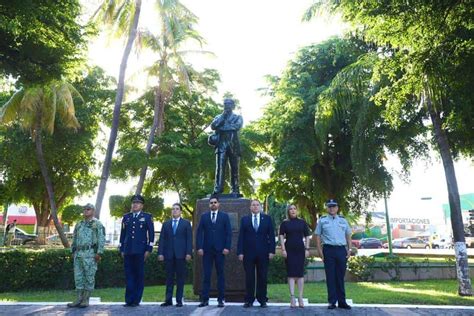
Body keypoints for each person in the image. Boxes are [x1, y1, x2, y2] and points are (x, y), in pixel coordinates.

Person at [237, 199, 275, 308]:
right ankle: (249, 300)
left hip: (263, 253)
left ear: (260, 207)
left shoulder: (267, 219)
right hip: (248, 253)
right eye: (253, 205)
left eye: (257, 205)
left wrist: (271, 251)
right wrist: (240, 252)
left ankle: (262, 299)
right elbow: (241, 237)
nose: (255, 207)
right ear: (250, 207)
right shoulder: (245, 220)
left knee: (262, 276)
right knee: (249, 277)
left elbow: (271, 236)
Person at [315, 199, 352, 310]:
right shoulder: (322, 220)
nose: (332, 208)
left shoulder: (343, 220)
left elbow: (348, 235)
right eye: (329, 206)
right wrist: (320, 251)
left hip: (341, 250)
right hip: (328, 250)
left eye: (334, 206)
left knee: (340, 277)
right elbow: (317, 236)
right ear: (327, 208)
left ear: (337, 208)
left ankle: (342, 301)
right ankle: (332, 301)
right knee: (330, 276)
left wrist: (349, 250)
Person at [195, 196, 232, 307]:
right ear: (209, 204)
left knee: (220, 275)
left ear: (218, 204)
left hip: (220, 251)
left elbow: (228, 233)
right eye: (211, 203)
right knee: (206, 275)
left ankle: (221, 299)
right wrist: (199, 247)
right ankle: (205, 299)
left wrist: (227, 247)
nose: (213, 204)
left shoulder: (224, 217)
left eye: (215, 202)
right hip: (207, 251)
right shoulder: (204, 217)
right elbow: (199, 233)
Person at [119, 194, 155, 307]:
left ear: (142, 205)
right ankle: (129, 300)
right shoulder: (126, 217)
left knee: (139, 276)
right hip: (128, 251)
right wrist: (121, 249)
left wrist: (148, 249)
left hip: (140, 251)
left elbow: (152, 235)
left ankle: (136, 300)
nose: (135, 204)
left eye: (138, 203)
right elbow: (122, 234)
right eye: (134, 203)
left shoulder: (147, 217)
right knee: (129, 275)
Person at [68, 204, 105, 308]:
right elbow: (74, 238)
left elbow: (101, 238)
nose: (85, 211)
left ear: (93, 211)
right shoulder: (79, 224)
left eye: (88, 209)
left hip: (90, 254)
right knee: (78, 277)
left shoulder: (97, 224)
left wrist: (99, 252)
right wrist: (73, 251)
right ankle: (78, 299)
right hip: (79, 254)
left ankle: (86, 299)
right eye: (84, 209)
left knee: (89, 277)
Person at [157, 203, 192, 307]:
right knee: (169, 278)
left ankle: (179, 300)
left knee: (180, 279)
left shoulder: (186, 223)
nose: (175, 211)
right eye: (173, 209)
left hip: (181, 255)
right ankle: (168, 300)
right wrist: (160, 253)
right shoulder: (166, 224)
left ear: (181, 211)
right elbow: (162, 239)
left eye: (177, 209)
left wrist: (189, 253)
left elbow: (189, 240)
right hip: (168, 255)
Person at [279, 204, 311, 308]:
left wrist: (307, 249)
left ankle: (300, 297)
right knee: (291, 274)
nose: (292, 210)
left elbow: (307, 236)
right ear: (288, 211)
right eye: (290, 209)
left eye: (294, 209)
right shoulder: (285, 223)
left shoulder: (302, 222)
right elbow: (281, 236)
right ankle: (292, 297)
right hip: (289, 250)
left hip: (300, 250)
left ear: (297, 211)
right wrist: (283, 249)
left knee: (300, 274)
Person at [209, 98, 243, 195]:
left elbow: (236, 126)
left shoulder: (238, 117)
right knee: (219, 168)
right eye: (225, 104)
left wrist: (222, 128)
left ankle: (235, 189)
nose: (226, 106)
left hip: (233, 145)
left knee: (235, 169)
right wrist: (223, 117)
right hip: (221, 145)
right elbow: (213, 126)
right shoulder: (219, 117)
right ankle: (218, 188)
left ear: (233, 106)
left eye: (229, 104)